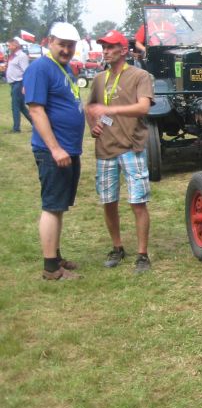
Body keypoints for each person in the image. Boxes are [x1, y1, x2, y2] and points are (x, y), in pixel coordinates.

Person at [86, 30, 155, 273]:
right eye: (103, 46)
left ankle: (142, 254)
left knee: (138, 202)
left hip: (131, 147)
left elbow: (143, 107)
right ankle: (117, 248)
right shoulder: (98, 79)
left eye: (110, 46)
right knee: (108, 202)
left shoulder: (140, 75)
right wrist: (93, 125)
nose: (105, 50)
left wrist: (112, 111)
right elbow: (90, 106)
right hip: (105, 149)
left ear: (123, 50)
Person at [23, 22, 84, 280]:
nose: (67, 50)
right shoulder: (40, 68)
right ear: (50, 42)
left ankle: (55, 256)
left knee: (59, 206)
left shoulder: (64, 68)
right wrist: (56, 148)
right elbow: (36, 109)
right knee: (51, 205)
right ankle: (51, 269)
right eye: (62, 44)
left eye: (71, 46)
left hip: (68, 149)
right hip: (54, 151)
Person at [6, 37, 33, 132]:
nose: (8, 47)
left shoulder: (22, 56)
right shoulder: (12, 56)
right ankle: (36, 123)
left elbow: (26, 72)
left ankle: (16, 128)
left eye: (9, 45)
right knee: (21, 106)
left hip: (19, 83)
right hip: (13, 84)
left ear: (15, 45)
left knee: (15, 106)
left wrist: (25, 85)